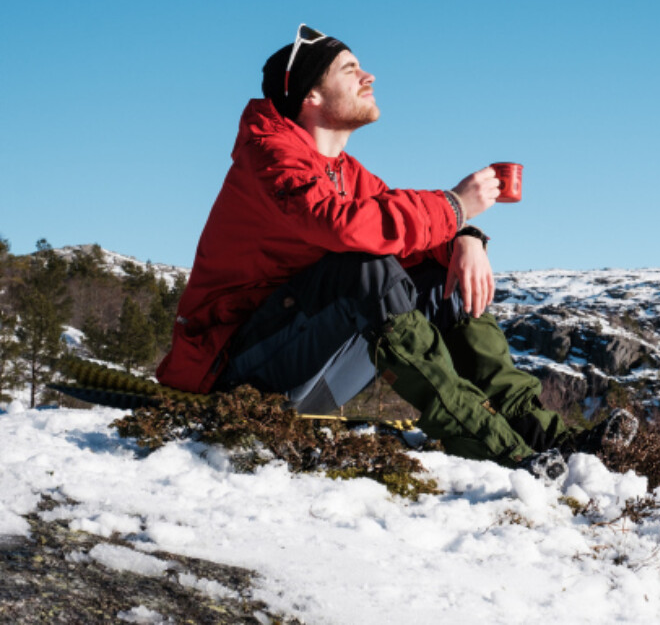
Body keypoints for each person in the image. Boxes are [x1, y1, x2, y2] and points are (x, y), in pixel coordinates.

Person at [156, 24, 634, 483]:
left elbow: (407, 235)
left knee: (439, 275)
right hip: (232, 375)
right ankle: (499, 450)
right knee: (363, 265)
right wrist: (454, 205)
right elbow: (344, 226)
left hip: (301, 367)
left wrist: (465, 238)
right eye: (350, 69)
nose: (369, 77)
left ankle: (548, 437)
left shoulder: (345, 170)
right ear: (311, 97)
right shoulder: (271, 157)